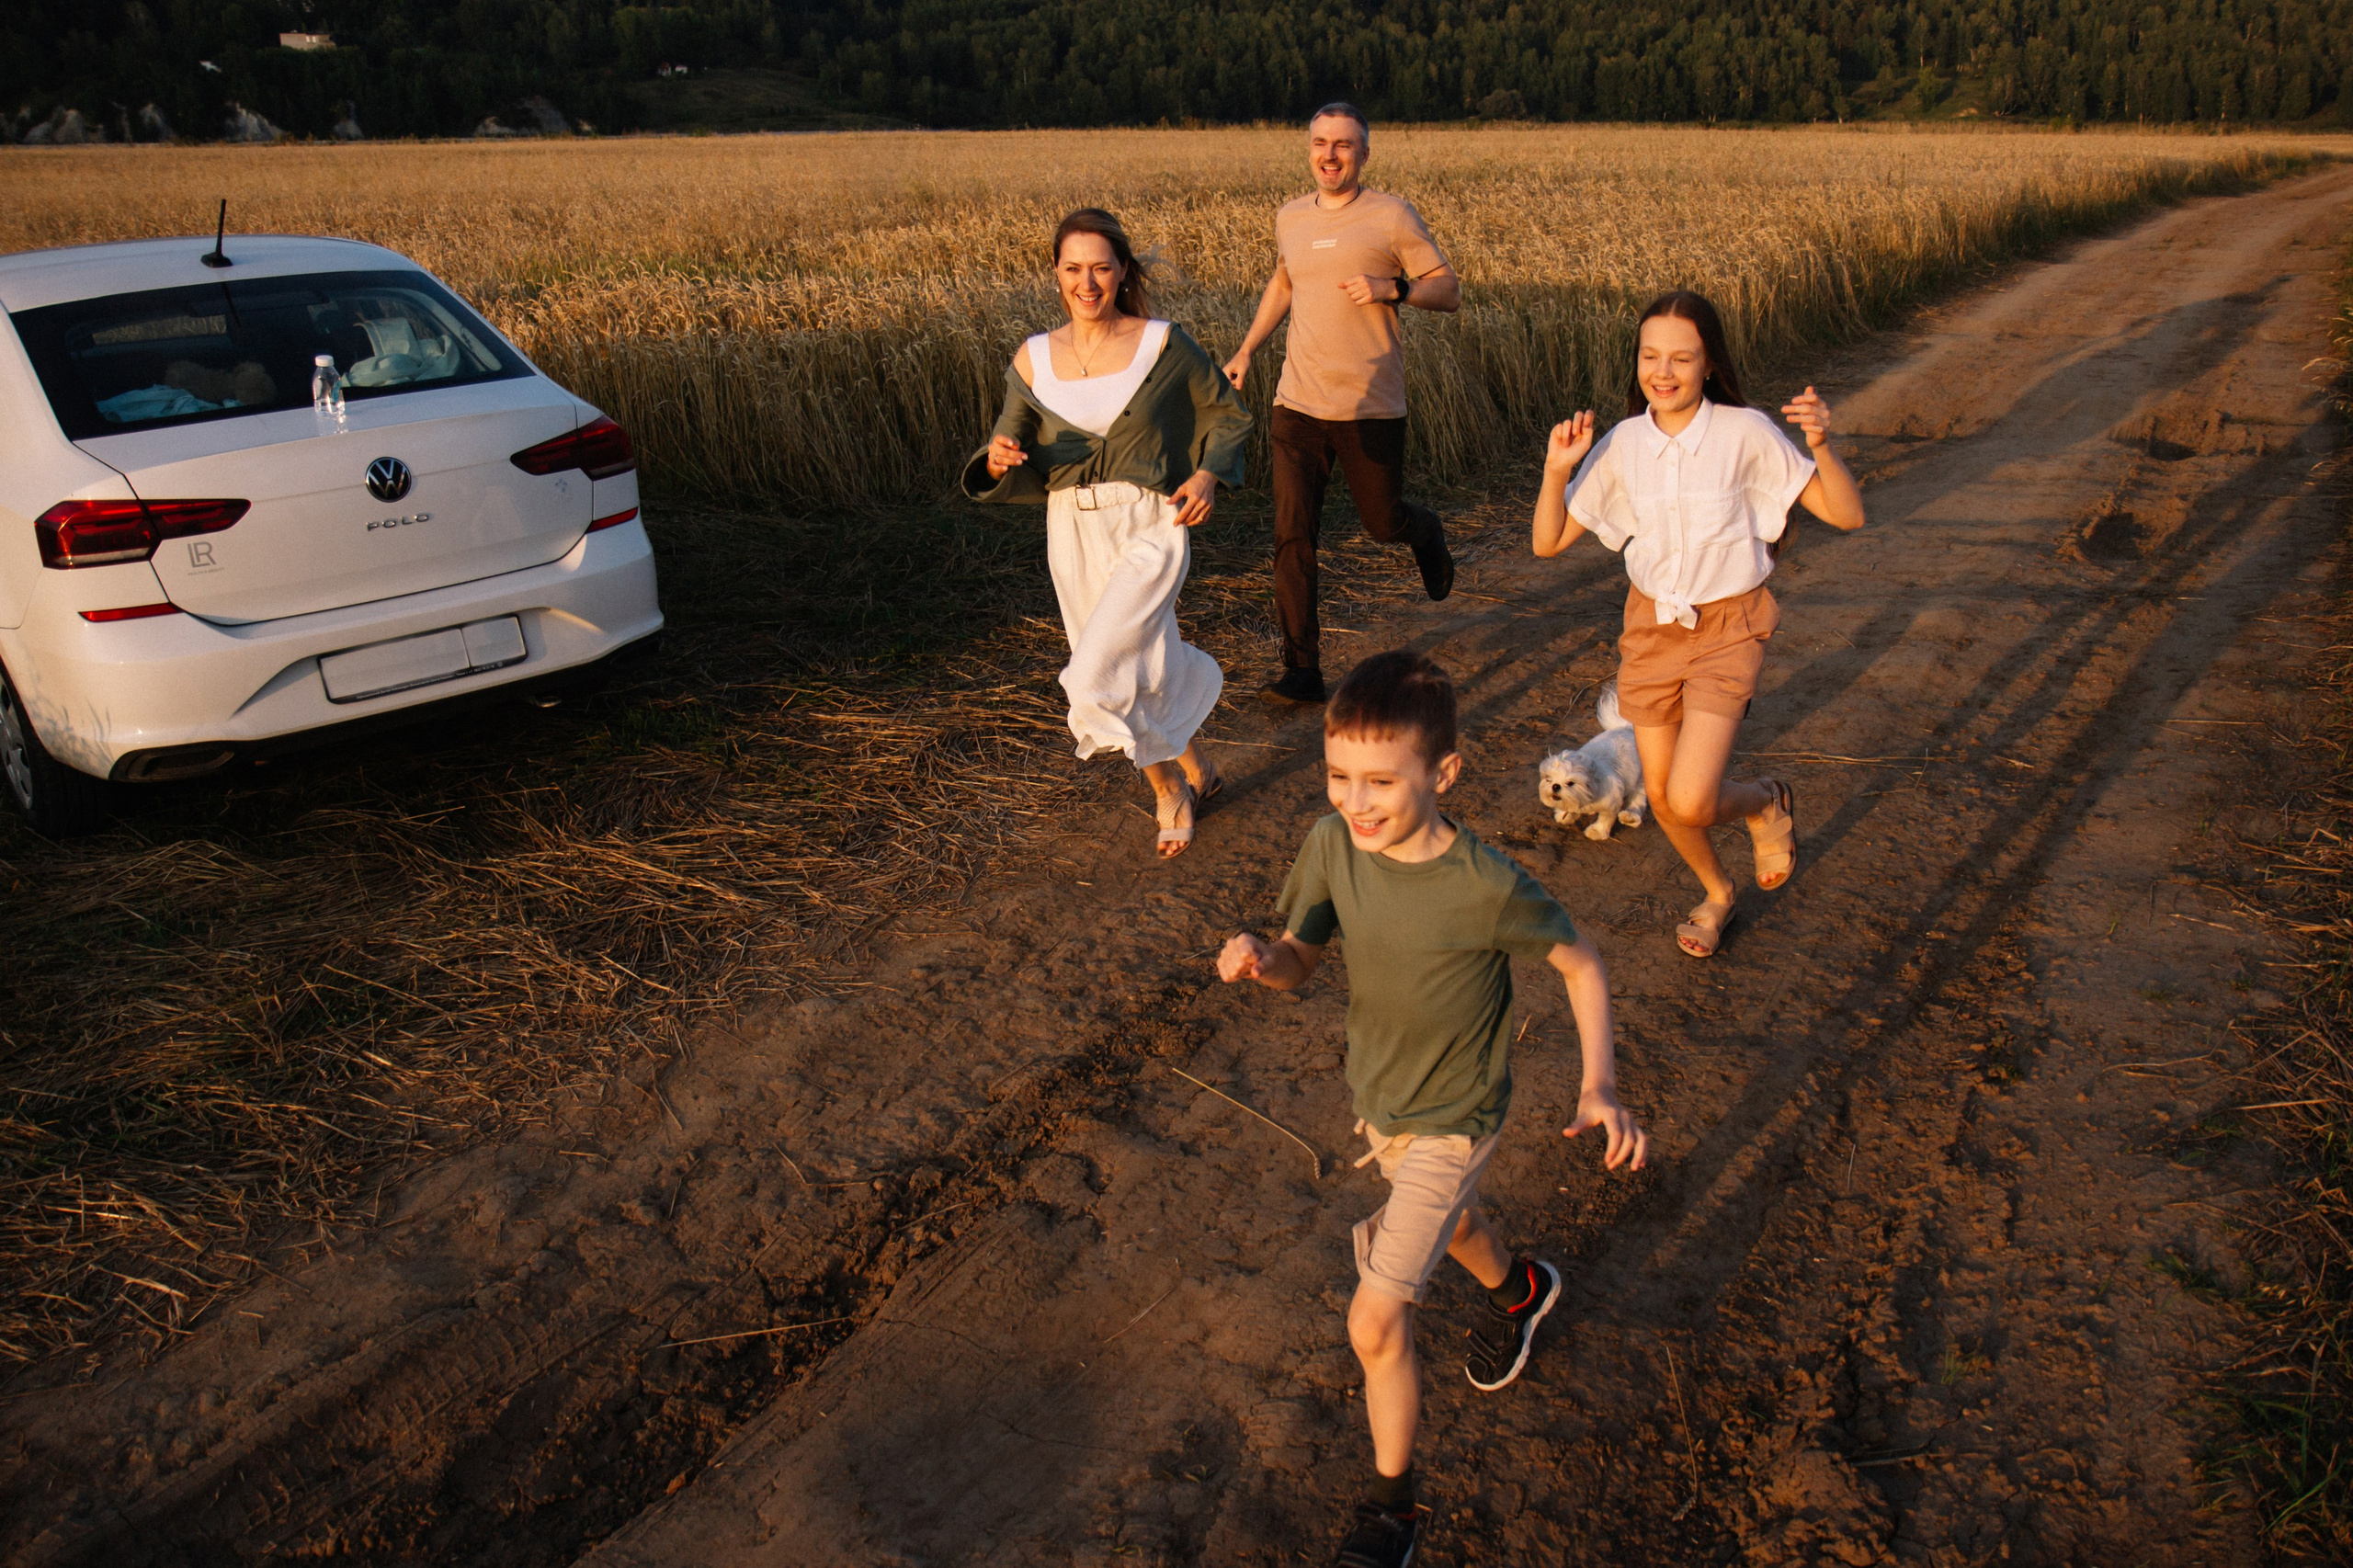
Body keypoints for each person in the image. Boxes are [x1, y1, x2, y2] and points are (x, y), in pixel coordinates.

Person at [1216, 649, 1648, 1568]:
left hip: (1459, 1113)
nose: (1355, 800)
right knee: (1450, 1225)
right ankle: (1520, 1287)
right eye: (1338, 775)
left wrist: (1597, 1083)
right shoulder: (1332, 845)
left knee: (1375, 1319)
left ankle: (1393, 1513)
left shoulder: (1484, 884)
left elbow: (1581, 961)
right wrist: (1261, 954)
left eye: (1380, 780)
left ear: (1442, 773)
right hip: (1383, 1100)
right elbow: (1299, 960)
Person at [1530, 290, 1867, 957]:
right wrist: (1555, 469)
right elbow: (1547, 541)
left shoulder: (1745, 432)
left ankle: (1764, 802)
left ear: (1709, 364)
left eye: (1681, 358)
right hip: (1650, 632)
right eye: (1650, 356)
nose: (1663, 370)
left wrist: (1822, 444)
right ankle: (1717, 895)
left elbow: (1846, 514)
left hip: (1728, 629)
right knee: (1659, 795)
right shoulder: (1625, 443)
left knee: (1688, 799)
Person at [963, 209, 1251, 858]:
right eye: (1072, 268)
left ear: (1123, 271)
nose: (1086, 281)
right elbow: (1006, 439)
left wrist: (1207, 477)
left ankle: (1166, 791)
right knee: (1142, 662)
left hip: (1150, 523)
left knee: (1093, 675)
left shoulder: (1163, 343)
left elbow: (1227, 415)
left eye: (1100, 266)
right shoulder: (1033, 357)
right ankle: (1194, 767)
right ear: (1056, 274)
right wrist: (999, 455)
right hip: (1070, 529)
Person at [1223, 104, 1461, 709]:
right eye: (1321, 143)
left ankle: (1425, 532)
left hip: (1369, 407)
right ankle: (1302, 670)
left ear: (1363, 154)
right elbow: (1285, 281)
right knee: (1291, 536)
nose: (1330, 155)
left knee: (1383, 524)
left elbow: (1448, 288)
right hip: (1297, 403)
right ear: (1309, 148)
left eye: (1344, 145)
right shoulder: (1291, 216)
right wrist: (1248, 349)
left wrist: (1396, 289)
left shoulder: (1389, 215)